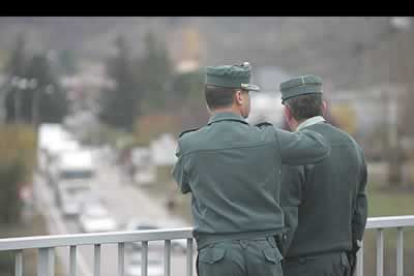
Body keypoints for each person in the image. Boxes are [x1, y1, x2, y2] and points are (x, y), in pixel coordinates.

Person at [172, 63, 330, 276]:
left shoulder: (190, 144)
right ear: (239, 96)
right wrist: (305, 113)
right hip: (263, 253)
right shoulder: (268, 138)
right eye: (247, 95)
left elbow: (183, 184)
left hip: (218, 256)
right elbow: (319, 147)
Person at [278, 74, 368, 276]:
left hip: (299, 265)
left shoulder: (293, 150)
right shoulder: (352, 146)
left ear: (287, 112)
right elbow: (359, 209)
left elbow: (286, 217)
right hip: (341, 262)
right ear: (324, 107)